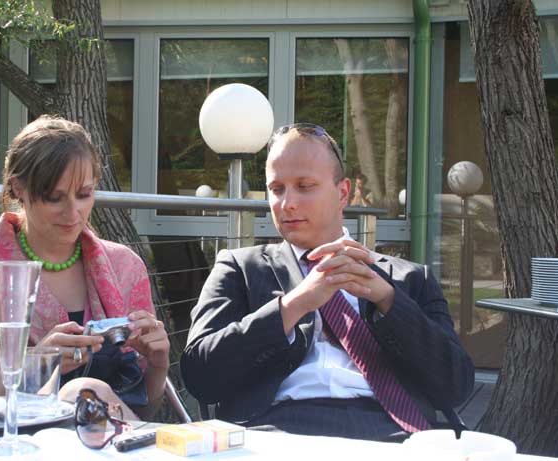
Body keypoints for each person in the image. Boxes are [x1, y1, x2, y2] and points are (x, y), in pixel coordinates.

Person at [180, 123, 474, 440]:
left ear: (343, 193)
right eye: (276, 189)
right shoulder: (241, 268)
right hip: (273, 430)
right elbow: (200, 378)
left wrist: (390, 301)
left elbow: (455, 386)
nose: (287, 203)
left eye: (304, 186)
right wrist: (293, 305)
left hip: (391, 430)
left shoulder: (409, 279)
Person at [0, 115, 170, 420]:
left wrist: (158, 364)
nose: (73, 213)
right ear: (17, 188)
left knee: (83, 391)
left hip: (111, 438)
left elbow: (144, 411)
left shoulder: (125, 268)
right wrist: (29, 370)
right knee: (81, 391)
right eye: (54, 198)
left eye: (84, 194)